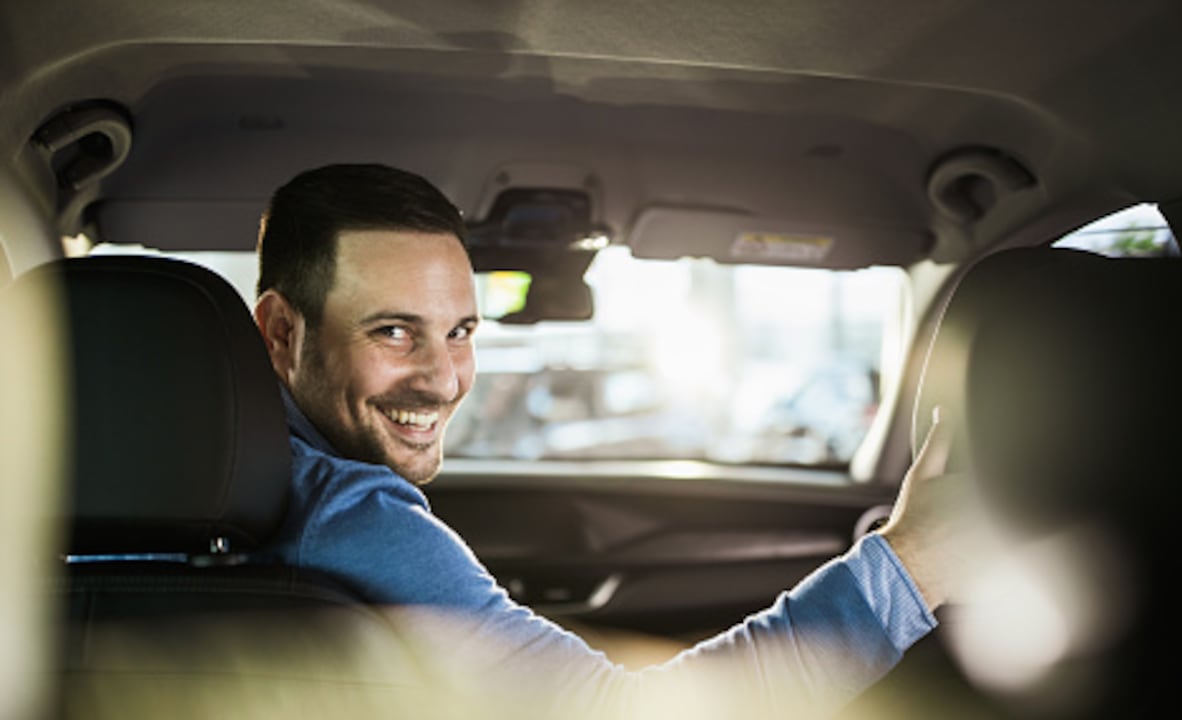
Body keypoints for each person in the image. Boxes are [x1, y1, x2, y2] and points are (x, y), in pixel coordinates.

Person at [251, 163, 964, 719]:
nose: (443, 380)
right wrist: (909, 569)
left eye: (461, 331)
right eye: (394, 331)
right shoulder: (347, 517)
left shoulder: (225, 500)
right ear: (282, 332)